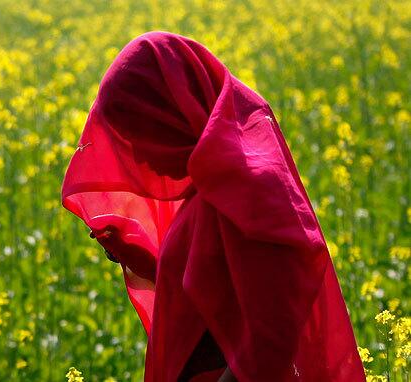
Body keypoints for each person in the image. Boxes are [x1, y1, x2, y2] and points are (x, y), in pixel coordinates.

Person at [61, 30, 366, 381]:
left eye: (140, 134)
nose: (139, 158)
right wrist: (140, 259)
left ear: (170, 114)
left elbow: (274, 325)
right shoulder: (210, 188)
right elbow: (218, 293)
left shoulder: (251, 186)